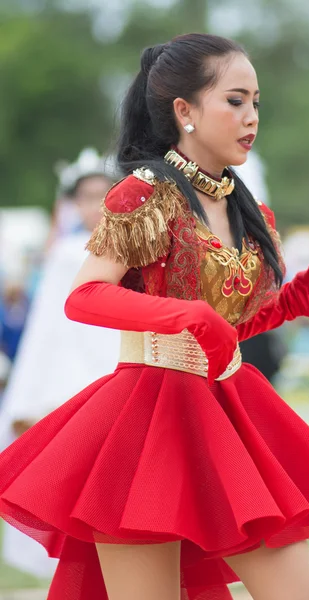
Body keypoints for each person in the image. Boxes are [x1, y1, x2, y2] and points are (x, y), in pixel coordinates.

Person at [0, 34, 309, 600]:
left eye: (256, 103)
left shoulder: (248, 207)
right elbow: (85, 297)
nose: (251, 117)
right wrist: (187, 315)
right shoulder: (144, 195)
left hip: (229, 412)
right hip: (148, 421)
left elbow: (223, 332)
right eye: (235, 100)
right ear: (185, 111)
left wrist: (282, 308)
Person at [0, 148, 120, 578]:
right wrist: (31, 396)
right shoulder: (67, 253)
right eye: (85, 196)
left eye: (103, 193)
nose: (95, 204)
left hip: (120, 373)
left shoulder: (130, 246)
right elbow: (45, 331)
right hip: (71, 381)